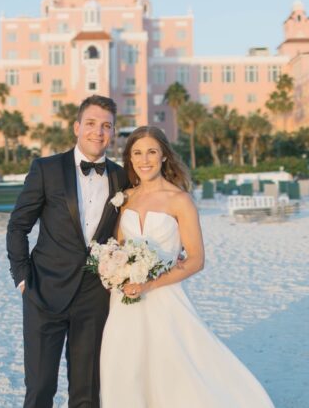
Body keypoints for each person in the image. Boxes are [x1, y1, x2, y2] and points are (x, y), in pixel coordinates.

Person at [100, 126, 274, 407]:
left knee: (175, 373)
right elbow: (118, 248)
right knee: (124, 370)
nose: (145, 160)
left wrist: (149, 284)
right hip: (124, 301)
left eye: (152, 152)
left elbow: (196, 259)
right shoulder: (126, 198)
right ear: (130, 159)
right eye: (138, 153)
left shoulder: (180, 201)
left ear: (164, 156)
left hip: (164, 298)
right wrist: (112, 268)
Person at [6, 95, 129, 408]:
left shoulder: (121, 177)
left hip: (94, 297)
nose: (97, 132)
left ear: (113, 132)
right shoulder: (46, 169)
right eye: (90, 123)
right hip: (43, 292)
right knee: (40, 389)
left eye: (106, 126)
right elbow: (18, 226)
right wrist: (22, 278)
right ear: (77, 127)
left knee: (87, 393)